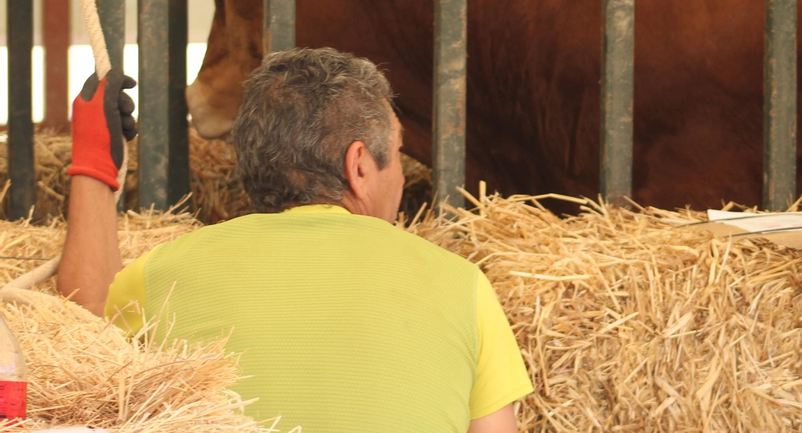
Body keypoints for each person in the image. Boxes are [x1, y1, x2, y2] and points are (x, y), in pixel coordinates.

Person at [58, 48, 532, 433]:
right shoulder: (463, 286)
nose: (403, 179)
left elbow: (76, 329)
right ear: (359, 166)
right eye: (398, 155)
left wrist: (93, 161)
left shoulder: (164, 274)